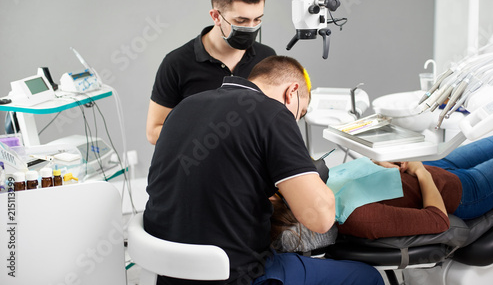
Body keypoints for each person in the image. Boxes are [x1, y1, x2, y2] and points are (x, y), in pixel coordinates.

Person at [143, 55, 384, 285]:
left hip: (170, 272)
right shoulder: (274, 113)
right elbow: (319, 220)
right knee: (368, 276)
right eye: (299, 114)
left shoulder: (185, 106)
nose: (295, 121)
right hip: (236, 276)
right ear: (292, 93)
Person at [272, 132, 493, 248]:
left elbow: (366, 180)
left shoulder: (322, 189)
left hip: (438, 167)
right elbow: (438, 220)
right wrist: (421, 173)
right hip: (464, 191)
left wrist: (380, 163)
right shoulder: (358, 219)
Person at [146, 0, 276, 145]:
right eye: (241, 21)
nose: (251, 27)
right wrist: (208, 135)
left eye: (257, 19)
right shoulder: (176, 64)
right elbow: (154, 132)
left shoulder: (266, 57)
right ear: (216, 16)